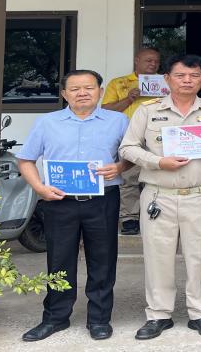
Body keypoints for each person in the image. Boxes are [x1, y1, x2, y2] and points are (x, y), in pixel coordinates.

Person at [118, 54, 201, 340]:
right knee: (157, 258)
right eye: (180, 75)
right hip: (159, 195)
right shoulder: (147, 110)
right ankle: (158, 314)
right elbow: (127, 148)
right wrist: (158, 162)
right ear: (167, 78)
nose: (187, 81)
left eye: (194, 76)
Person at [15, 70, 130, 342]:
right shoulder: (47, 122)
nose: (82, 93)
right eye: (75, 89)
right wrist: (40, 188)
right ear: (64, 94)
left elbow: (132, 155)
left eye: (88, 87)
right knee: (59, 259)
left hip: (103, 199)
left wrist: (120, 167)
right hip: (59, 201)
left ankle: (99, 319)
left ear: (100, 91)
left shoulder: (119, 121)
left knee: (103, 259)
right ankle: (55, 317)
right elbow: (26, 159)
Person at [102, 46, 162, 235]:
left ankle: (155, 216)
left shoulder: (165, 82)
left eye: (156, 61)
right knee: (129, 178)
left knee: (159, 178)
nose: (153, 64)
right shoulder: (119, 83)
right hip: (129, 136)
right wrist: (128, 99)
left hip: (159, 136)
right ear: (137, 61)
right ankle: (129, 218)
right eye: (149, 60)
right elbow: (106, 111)